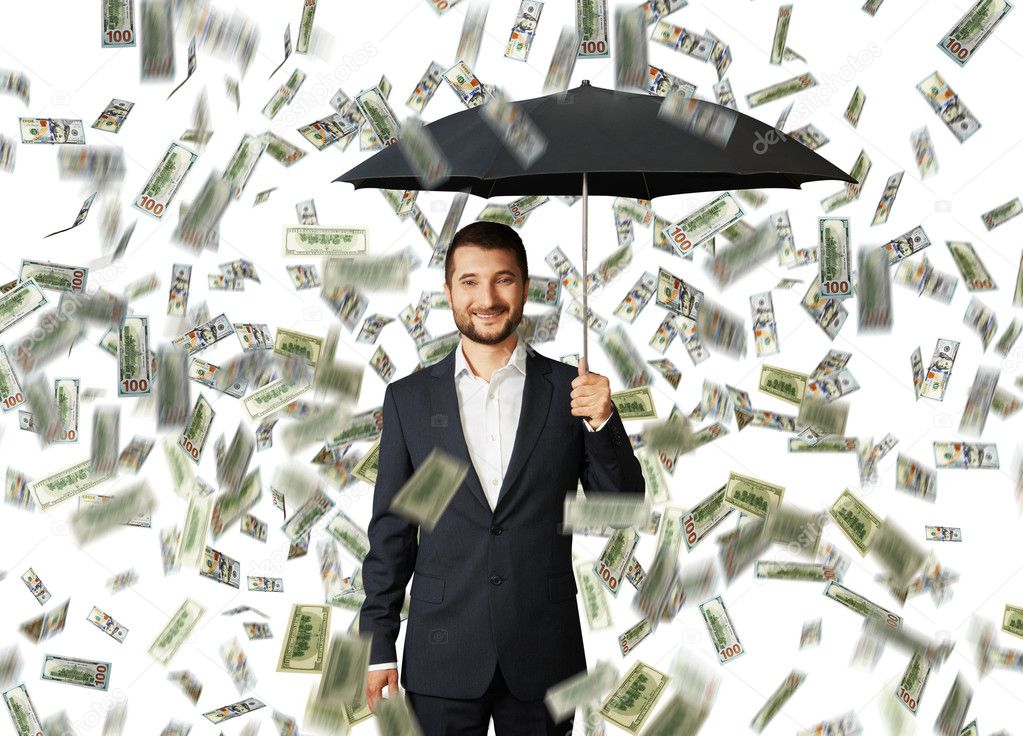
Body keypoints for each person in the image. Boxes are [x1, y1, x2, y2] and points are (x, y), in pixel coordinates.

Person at [361, 221, 646, 735]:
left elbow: (621, 509)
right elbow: (393, 533)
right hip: (440, 656)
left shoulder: (571, 391)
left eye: (503, 280)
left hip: (544, 656)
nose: (486, 297)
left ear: (525, 288)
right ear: (448, 291)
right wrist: (379, 643)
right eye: (469, 281)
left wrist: (604, 421)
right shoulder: (409, 401)